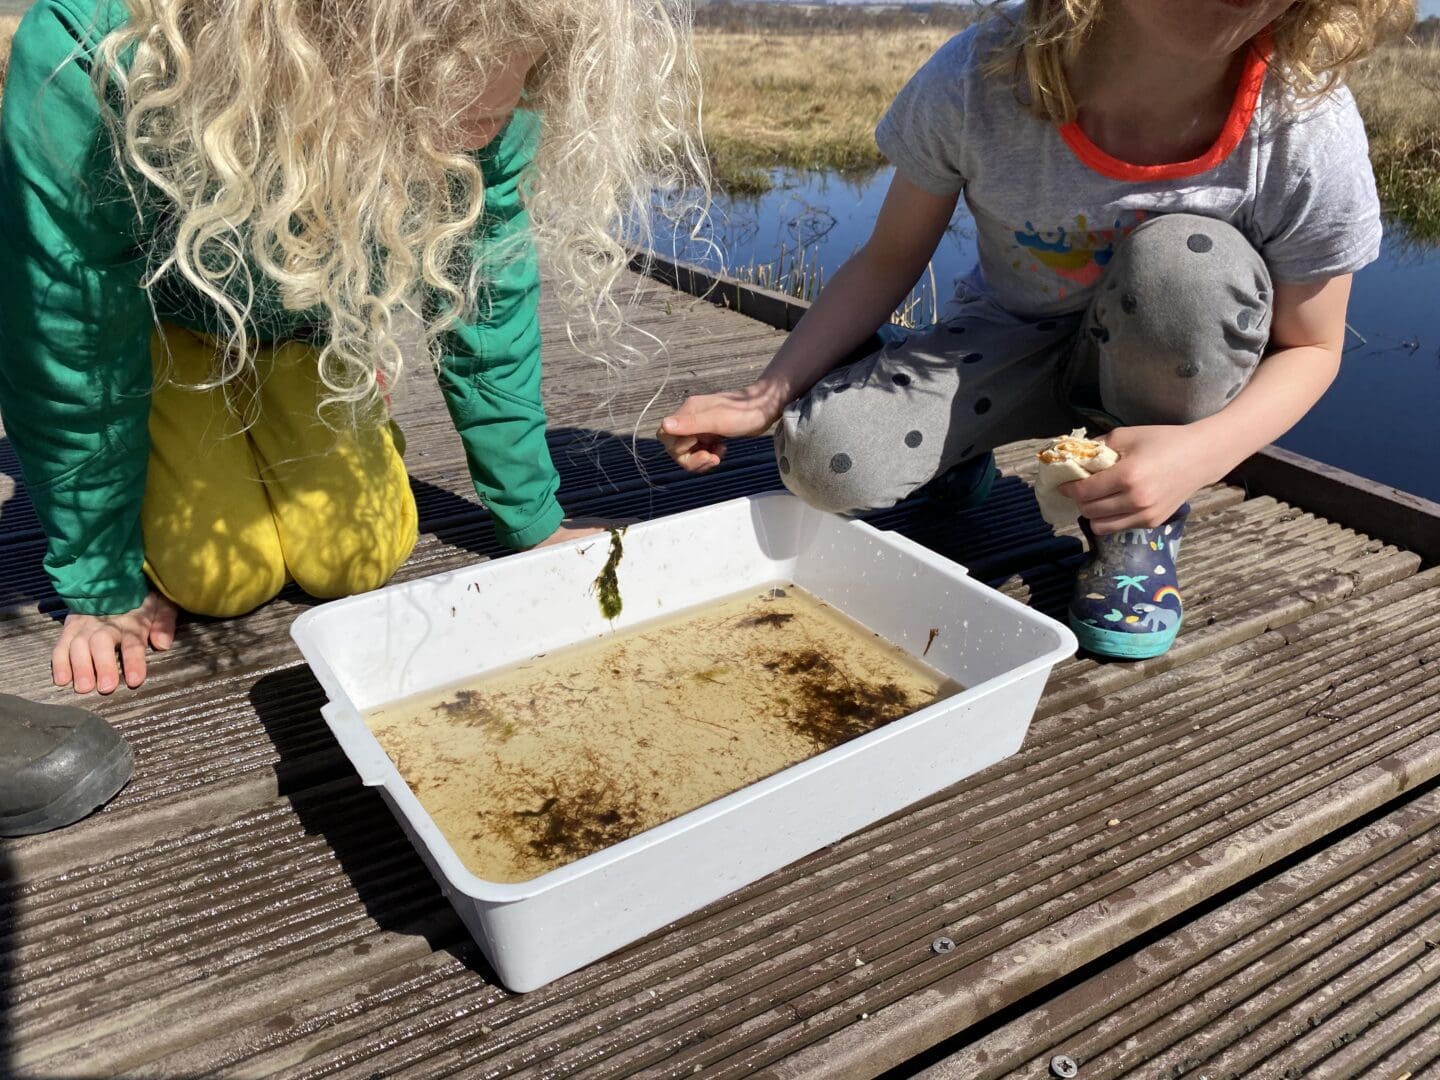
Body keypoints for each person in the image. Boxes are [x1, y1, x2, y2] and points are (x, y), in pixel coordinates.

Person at [0, 0, 701, 830]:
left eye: (504, 106)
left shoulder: (506, 74)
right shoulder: (91, 53)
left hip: (308, 327)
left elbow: (489, 299)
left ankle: (325, 394)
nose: (490, 127)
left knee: (358, 557)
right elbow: (69, 334)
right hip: (160, 331)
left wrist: (532, 520)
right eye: (455, 111)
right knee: (216, 580)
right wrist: (100, 576)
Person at [659, 0, 1413, 660]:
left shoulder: (1302, 119)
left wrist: (1198, 455)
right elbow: (887, 260)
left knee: (1188, 262)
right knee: (823, 463)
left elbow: (1313, 346)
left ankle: (1134, 528)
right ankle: (955, 453)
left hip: (1156, 389)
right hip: (1004, 341)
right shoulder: (980, 75)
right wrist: (766, 395)